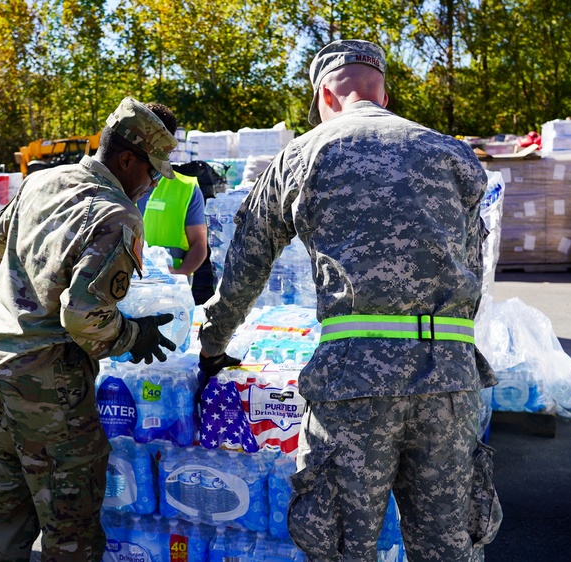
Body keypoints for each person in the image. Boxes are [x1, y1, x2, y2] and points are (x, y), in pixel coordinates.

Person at [197, 39, 502, 561]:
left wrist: (213, 343)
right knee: (449, 549)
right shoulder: (452, 152)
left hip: (352, 386)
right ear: (383, 93)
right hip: (449, 385)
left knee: (340, 546)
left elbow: (246, 264)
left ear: (325, 95)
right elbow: (473, 266)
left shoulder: (304, 153)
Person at [0, 97, 180, 561]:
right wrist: (134, 335)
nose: (149, 185)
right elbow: (83, 317)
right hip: (51, 386)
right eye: (150, 172)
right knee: (70, 526)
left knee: (9, 510)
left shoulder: (40, 181)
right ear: (127, 159)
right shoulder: (115, 213)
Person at [136, 167, 212, 303]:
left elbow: (199, 244)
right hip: (129, 288)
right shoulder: (120, 184)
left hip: (171, 292)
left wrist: (179, 274)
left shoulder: (186, 188)